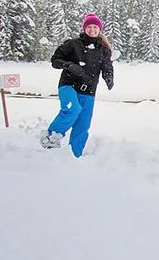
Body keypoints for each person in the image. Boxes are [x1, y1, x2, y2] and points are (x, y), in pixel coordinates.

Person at [40, 13, 115, 157]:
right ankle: (50, 139)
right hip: (69, 85)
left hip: (89, 91)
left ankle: (75, 155)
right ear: (84, 28)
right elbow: (55, 60)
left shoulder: (104, 50)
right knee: (72, 110)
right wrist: (68, 65)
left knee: (83, 125)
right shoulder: (73, 44)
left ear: (99, 29)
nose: (92, 30)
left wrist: (109, 77)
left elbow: (107, 66)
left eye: (95, 27)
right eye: (89, 27)